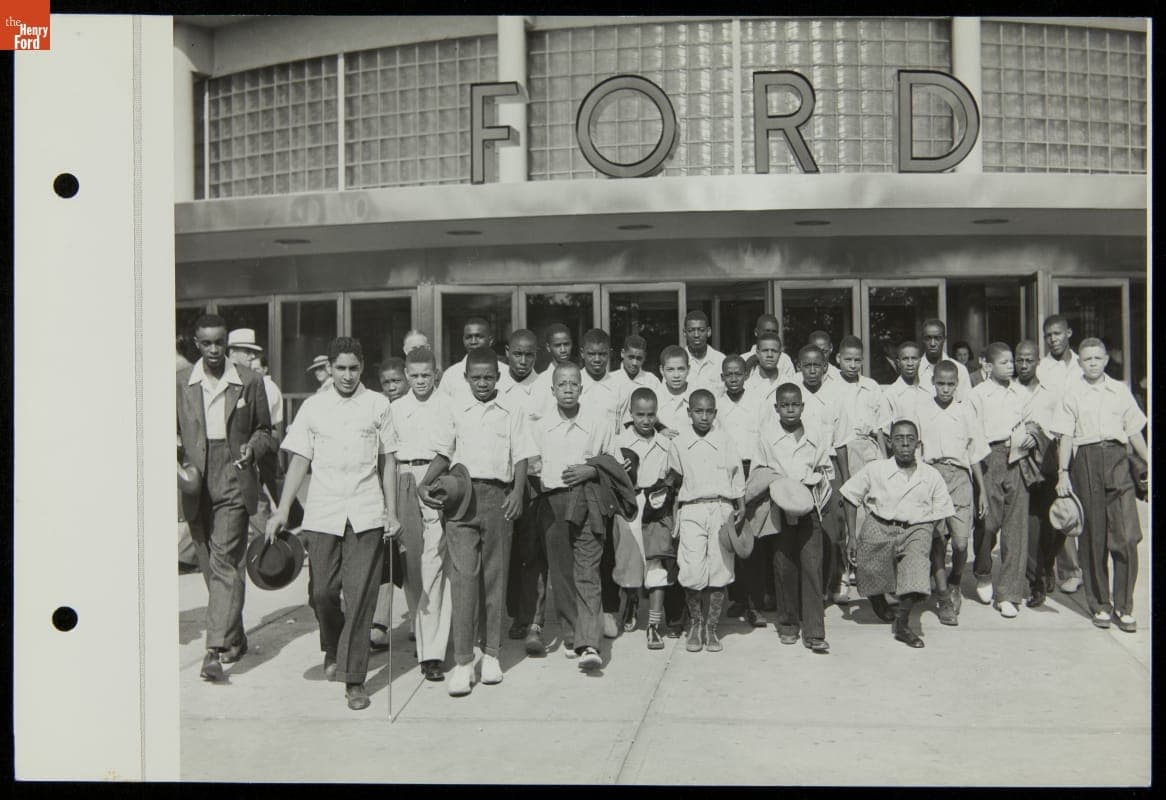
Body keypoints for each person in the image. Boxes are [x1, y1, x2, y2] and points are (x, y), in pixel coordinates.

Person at [265, 336, 399, 711]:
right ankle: (334, 644)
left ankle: (353, 678)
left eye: (353, 368)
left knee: (360, 597)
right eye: (340, 368)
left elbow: (389, 461)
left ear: (362, 368)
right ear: (330, 369)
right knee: (322, 593)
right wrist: (282, 510)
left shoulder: (378, 404)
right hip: (322, 513)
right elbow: (299, 461)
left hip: (366, 512)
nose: (346, 375)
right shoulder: (313, 407)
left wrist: (391, 510)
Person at [419, 347, 534, 697]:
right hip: (461, 499)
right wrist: (425, 482)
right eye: (476, 377)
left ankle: (493, 655)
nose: (482, 383)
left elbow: (522, 455)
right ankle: (464, 661)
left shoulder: (512, 409)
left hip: (499, 498)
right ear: (465, 378)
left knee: (494, 578)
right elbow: (444, 452)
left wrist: (516, 492)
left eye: (488, 377)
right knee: (464, 579)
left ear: (498, 378)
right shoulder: (456, 409)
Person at [177, 314, 274, 681]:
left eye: (220, 342)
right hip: (195, 479)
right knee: (212, 564)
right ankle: (234, 637)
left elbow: (266, 430)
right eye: (206, 343)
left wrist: (253, 446)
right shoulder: (180, 383)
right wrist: (179, 462)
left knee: (224, 562)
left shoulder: (249, 381)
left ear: (227, 343)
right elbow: (166, 432)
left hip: (234, 475)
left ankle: (213, 650)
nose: (214, 350)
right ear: (197, 344)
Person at [528, 361, 628, 670]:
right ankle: (572, 633)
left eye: (574, 384)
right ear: (553, 389)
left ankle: (589, 644)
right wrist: (535, 470)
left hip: (588, 499)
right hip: (553, 501)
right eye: (562, 384)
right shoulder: (541, 426)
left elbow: (616, 462)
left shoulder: (597, 422)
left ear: (582, 389)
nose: (568, 389)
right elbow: (531, 463)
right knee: (562, 571)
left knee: (588, 568)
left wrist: (591, 469)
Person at [1050, 338, 1148, 632]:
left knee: (1127, 537)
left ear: (1106, 360)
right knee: (1093, 538)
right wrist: (1063, 472)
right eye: (1086, 359)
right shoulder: (1072, 393)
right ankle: (1100, 605)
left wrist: (1149, 460)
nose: (1092, 363)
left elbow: (1133, 432)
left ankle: (1124, 606)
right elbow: (1065, 436)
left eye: (1097, 358)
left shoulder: (1119, 391)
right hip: (1086, 462)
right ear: (1079, 363)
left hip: (1118, 461)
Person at [840, 420, 955, 649]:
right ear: (890, 443)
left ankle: (903, 625)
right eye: (899, 439)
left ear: (918, 444)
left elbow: (942, 510)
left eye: (910, 439)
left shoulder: (930, 475)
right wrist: (851, 537)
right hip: (880, 524)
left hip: (917, 527)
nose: (905, 444)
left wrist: (926, 538)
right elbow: (849, 497)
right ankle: (876, 599)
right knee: (870, 568)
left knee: (915, 571)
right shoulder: (876, 469)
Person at [380, 347, 454, 683]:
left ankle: (432, 654)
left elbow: (447, 450)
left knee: (435, 566)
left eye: (426, 375)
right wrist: (391, 509)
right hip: (404, 482)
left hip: (435, 480)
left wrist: (430, 483)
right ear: (406, 376)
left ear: (436, 373)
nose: (420, 381)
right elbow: (390, 460)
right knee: (412, 569)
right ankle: (422, 635)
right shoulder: (395, 408)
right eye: (414, 375)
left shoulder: (446, 404)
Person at [666, 389, 746, 653]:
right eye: (698, 411)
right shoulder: (679, 442)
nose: (703, 416)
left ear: (715, 413)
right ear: (689, 413)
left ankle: (711, 629)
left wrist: (740, 506)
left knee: (719, 568)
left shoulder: (724, 440)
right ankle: (695, 625)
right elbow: (672, 480)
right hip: (692, 509)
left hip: (722, 508)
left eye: (708, 411)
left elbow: (737, 476)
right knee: (691, 568)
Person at [756, 383, 834, 652]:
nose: (790, 409)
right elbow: (760, 471)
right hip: (779, 504)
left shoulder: (815, 433)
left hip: (809, 504)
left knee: (812, 565)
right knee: (784, 564)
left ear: (803, 406)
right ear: (776, 408)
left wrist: (817, 497)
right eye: (784, 405)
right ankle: (788, 623)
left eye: (795, 404)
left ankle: (814, 631)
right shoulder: (766, 436)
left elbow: (826, 469)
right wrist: (777, 488)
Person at [917, 360, 989, 626]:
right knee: (937, 538)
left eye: (950, 385)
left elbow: (974, 455)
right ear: (933, 383)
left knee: (960, 542)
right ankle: (944, 596)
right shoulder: (922, 411)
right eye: (940, 384)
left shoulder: (965, 412)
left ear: (957, 386)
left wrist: (981, 490)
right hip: (932, 476)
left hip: (960, 478)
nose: (945, 389)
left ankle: (955, 579)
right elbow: (916, 451)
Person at [969, 342, 1032, 618]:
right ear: (989, 366)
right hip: (988, 456)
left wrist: (1031, 434)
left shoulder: (1021, 393)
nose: (1011, 366)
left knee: (1015, 526)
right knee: (988, 523)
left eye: (1012, 362)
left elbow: (1032, 421)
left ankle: (1008, 593)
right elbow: (972, 432)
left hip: (1017, 456)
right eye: (1004, 362)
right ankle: (983, 571)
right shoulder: (978, 394)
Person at [615, 388, 682, 649]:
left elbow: (675, 476)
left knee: (657, 565)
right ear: (631, 414)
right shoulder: (618, 441)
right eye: (640, 414)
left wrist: (668, 500)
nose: (645, 420)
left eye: (651, 415)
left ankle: (653, 624)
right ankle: (631, 601)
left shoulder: (666, 444)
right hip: (629, 507)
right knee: (629, 564)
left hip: (658, 510)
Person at [791, 344, 852, 605]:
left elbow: (841, 443)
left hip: (828, 468)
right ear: (799, 366)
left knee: (832, 527)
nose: (812, 370)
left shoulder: (836, 396)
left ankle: (836, 576)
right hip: (799, 468)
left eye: (817, 365)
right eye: (807, 365)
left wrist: (846, 478)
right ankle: (808, 587)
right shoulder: (792, 393)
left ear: (826, 367)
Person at [716, 355, 767, 628]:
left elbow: (764, 437)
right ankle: (737, 597)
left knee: (752, 539)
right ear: (722, 377)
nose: (733, 378)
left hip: (752, 469)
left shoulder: (758, 402)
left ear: (746, 375)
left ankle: (755, 604)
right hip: (727, 472)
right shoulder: (718, 404)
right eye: (728, 374)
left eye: (738, 373)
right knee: (731, 535)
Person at [833, 336, 889, 583]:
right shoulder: (831, 385)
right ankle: (844, 568)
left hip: (869, 448)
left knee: (870, 507)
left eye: (857, 360)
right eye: (848, 359)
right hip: (842, 449)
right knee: (846, 508)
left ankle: (865, 565)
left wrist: (885, 462)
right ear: (838, 359)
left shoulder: (871, 386)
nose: (853, 365)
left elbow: (879, 427)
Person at [1013, 340, 1063, 609]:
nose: (1023, 365)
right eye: (1019, 360)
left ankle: (1048, 563)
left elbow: (1062, 427)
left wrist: (1039, 434)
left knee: (1052, 525)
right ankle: (1036, 583)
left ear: (1037, 362)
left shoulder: (1051, 393)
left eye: (1028, 360)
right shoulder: (1008, 391)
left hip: (1047, 465)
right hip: (1018, 466)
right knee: (1029, 527)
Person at [1036, 314, 1085, 594]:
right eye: (1048, 335)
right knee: (1061, 506)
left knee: (1085, 506)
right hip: (1055, 446)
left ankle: (1086, 568)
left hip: (1083, 443)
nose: (1053, 339)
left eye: (1057, 333)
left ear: (1069, 332)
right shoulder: (1043, 368)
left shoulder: (1083, 365)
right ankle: (1066, 569)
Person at [437, 317, 503, 400]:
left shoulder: (505, 372)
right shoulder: (451, 375)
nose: (473, 342)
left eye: (479, 337)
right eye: (469, 337)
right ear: (463, 340)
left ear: (490, 340)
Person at [918, 319, 972, 402]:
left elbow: (966, 403)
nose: (932, 343)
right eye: (928, 338)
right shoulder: (915, 369)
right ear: (922, 339)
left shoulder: (960, 369)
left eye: (937, 338)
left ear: (944, 339)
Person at [611, 334, 663, 418]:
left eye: (639, 358)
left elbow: (659, 412)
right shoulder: (611, 380)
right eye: (631, 357)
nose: (634, 363)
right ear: (623, 353)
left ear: (645, 357)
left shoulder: (652, 381)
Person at [655, 345, 695, 435]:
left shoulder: (698, 397)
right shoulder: (653, 398)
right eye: (670, 370)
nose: (676, 375)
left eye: (681, 369)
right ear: (662, 370)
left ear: (688, 369)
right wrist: (658, 432)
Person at [744, 330, 795, 401]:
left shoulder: (789, 384)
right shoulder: (747, 386)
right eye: (765, 350)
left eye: (774, 351)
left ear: (780, 354)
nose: (770, 355)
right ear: (757, 353)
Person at [742, 314, 796, 380]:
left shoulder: (784, 359)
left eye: (774, 332)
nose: (770, 334)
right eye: (766, 331)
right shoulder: (743, 359)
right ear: (756, 332)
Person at [682, 310, 725, 393]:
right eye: (691, 330)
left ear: (708, 331)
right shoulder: (677, 361)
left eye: (701, 330)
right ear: (684, 333)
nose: (696, 335)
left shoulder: (720, 360)